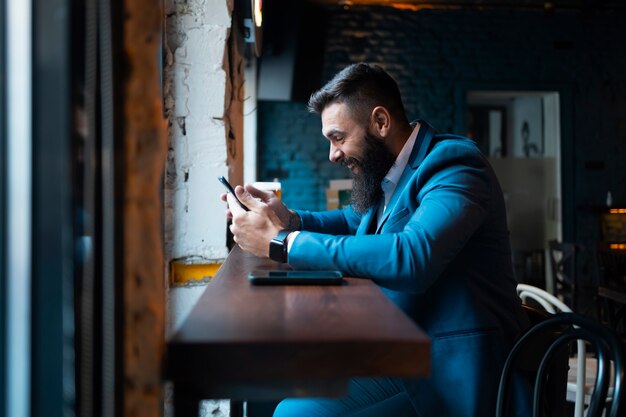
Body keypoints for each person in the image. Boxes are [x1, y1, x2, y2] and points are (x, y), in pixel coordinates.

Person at [222, 63, 529, 417]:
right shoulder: (390, 174)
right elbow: (354, 221)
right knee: (291, 409)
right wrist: (289, 219)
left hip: (458, 371)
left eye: (338, 137)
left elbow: (414, 256)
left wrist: (283, 243)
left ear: (380, 122)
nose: (332, 154)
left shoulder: (455, 165)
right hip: (407, 356)